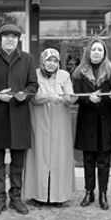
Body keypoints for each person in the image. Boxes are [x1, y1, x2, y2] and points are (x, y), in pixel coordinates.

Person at [0, 24, 38, 217]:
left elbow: (33, 85)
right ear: (0, 39)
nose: (10, 39)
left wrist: (25, 94)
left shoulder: (27, 59)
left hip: (20, 115)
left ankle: (16, 198)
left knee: (17, 162)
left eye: (14, 36)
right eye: (6, 36)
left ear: (18, 40)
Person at [25, 48, 78, 207]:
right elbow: (32, 97)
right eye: (48, 60)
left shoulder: (65, 75)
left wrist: (70, 99)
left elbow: (69, 96)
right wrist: (48, 97)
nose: (51, 63)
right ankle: (38, 195)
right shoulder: (34, 74)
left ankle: (59, 195)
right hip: (39, 121)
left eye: (55, 60)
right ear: (42, 61)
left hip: (60, 122)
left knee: (59, 156)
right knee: (39, 156)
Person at [72, 39, 111, 210]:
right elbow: (76, 94)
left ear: (104, 52)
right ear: (88, 52)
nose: (96, 52)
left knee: (104, 160)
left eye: (100, 49)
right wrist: (88, 98)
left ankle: (103, 194)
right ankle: (89, 192)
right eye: (93, 49)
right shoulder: (78, 72)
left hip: (107, 120)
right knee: (88, 159)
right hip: (87, 121)